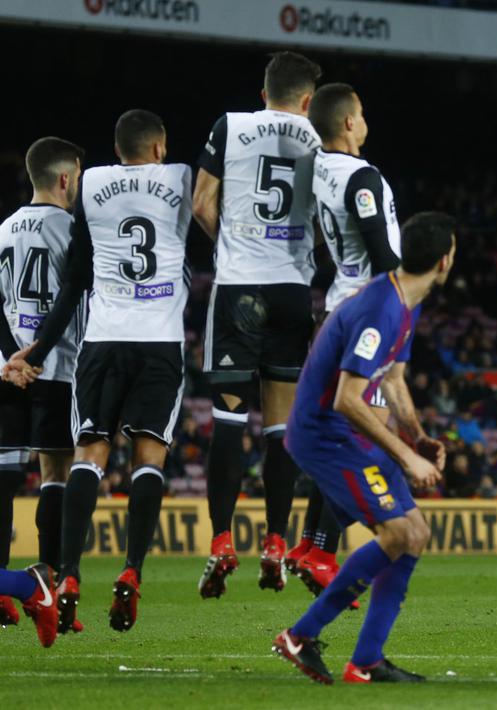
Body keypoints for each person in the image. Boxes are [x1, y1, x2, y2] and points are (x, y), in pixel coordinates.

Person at [4, 110, 193, 634]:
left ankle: (66, 574)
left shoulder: (92, 186)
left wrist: (33, 351)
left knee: (87, 455)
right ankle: (131, 569)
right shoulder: (181, 177)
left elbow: (75, 282)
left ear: (117, 148)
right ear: (159, 147)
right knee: (149, 458)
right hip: (158, 340)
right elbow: (207, 215)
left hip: (100, 341)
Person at [272, 212, 452, 685]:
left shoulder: (405, 301)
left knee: (414, 532)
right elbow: (347, 399)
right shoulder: (382, 309)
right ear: (445, 260)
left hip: (348, 432)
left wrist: (417, 437)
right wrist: (406, 457)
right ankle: (300, 636)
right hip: (325, 434)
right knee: (396, 533)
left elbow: (393, 381)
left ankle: (367, 661)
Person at [283, 82, 438, 598]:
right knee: (361, 435)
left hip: (336, 305)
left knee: (344, 431)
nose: (367, 121)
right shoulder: (361, 177)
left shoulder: (317, 169)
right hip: (366, 312)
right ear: (349, 122)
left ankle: (312, 546)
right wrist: (404, 295)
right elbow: (379, 249)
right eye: (363, 114)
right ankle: (321, 552)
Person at [193, 51, 323, 598]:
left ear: (264, 91)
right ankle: (275, 542)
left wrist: (232, 245)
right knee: (279, 427)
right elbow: (328, 221)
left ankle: (222, 541)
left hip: (238, 287)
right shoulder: (318, 139)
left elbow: (202, 204)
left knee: (228, 418)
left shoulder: (231, 126)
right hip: (292, 290)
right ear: (308, 100)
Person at [0, 138, 84, 632]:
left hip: (7, 371)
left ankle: (3, 594)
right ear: (65, 178)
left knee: (4, 480)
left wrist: (12, 357)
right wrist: (36, 357)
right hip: (57, 369)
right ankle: (49, 586)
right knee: (55, 474)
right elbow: (72, 299)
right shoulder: (71, 229)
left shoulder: (4, 228)